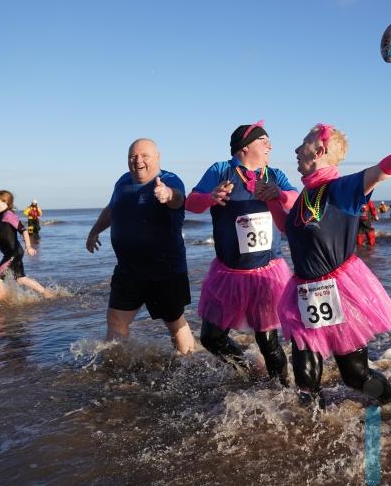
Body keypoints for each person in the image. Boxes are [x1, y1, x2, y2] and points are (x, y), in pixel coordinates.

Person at [269, 114, 391, 407]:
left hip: (339, 291)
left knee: (355, 375)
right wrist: (272, 199)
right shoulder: (307, 193)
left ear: (318, 151)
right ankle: (312, 437)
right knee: (305, 378)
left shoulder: (342, 189)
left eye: (302, 144)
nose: (295, 150)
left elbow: (381, 172)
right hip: (304, 292)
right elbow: (288, 229)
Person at [184, 121, 298, 383]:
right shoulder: (221, 170)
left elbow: (295, 198)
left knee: (268, 341)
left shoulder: (274, 174)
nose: (270, 145)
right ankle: (249, 370)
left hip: (267, 271)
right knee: (211, 338)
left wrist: (279, 195)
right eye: (264, 140)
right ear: (245, 147)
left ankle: (282, 390)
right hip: (229, 272)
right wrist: (211, 197)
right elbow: (192, 203)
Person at [86, 138, 195, 354]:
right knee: (116, 321)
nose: (138, 161)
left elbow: (178, 198)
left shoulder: (170, 180)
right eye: (133, 156)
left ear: (157, 158)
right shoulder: (122, 182)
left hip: (165, 270)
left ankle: (190, 366)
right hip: (128, 270)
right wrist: (95, 231)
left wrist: (167, 195)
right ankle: (117, 373)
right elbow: (112, 207)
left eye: (144, 156)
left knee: (174, 323)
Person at [0, 190, 53, 302]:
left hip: (13, 253)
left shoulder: (9, 215)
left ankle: (3, 306)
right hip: (10, 253)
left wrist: (28, 246)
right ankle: (46, 293)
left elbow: (23, 230)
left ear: (5, 202)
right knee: (21, 279)